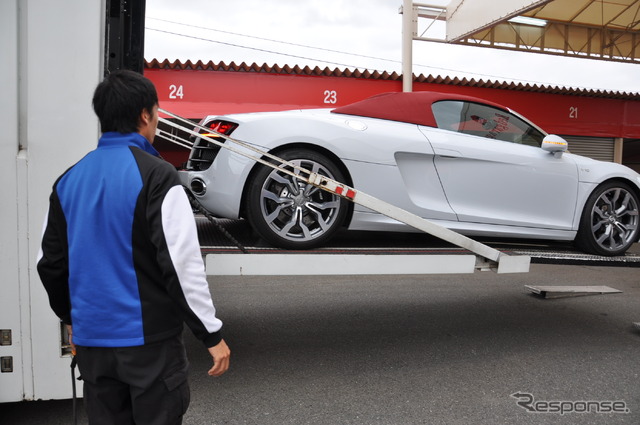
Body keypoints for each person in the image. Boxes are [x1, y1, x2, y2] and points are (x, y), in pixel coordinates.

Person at [37, 69, 230, 425]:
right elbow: (181, 264)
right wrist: (211, 333)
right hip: (149, 344)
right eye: (156, 113)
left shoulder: (68, 179)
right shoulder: (157, 175)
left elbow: (49, 263)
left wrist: (71, 319)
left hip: (93, 343)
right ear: (145, 114)